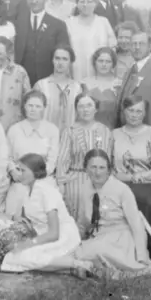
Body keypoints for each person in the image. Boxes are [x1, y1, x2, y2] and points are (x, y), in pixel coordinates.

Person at [69, 149, 151, 276]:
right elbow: (83, 222)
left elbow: (136, 224)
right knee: (76, 251)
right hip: (99, 237)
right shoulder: (85, 188)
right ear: (85, 168)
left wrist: (142, 255)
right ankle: (91, 267)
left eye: (101, 168)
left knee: (93, 251)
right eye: (93, 167)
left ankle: (91, 267)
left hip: (121, 239)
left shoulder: (122, 190)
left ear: (109, 170)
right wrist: (72, 241)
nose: (97, 172)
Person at [0, 154, 83, 273]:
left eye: (23, 170)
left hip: (63, 236)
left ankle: (77, 264)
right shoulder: (27, 189)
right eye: (18, 170)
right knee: (11, 256)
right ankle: (65, 267)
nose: (19, 174)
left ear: (35, 172)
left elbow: (54, 233)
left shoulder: (46, 191)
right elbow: (31, 219)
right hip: (43, 236)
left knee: (19, 257)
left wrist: (28, 244)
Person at [113, 96, 151, 234]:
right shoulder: (114, 135)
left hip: (150, 185)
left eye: (139, 111)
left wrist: (134, 178)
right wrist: (124, 179)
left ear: (145, 113)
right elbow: (110, 169)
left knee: (146, 201)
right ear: (123, 111)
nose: (134, 115)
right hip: (122, 185)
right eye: (131, 110)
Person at [56, 93, 115, 230]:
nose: (85, 109)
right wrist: (61, 183)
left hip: (100, 179)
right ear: (76, 110)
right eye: (81, 106)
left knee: (99, 218)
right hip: (76, 178)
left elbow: (109, 158)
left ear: (95, 109)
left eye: (89, 105)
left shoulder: (105, 131)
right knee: (76, 221)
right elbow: (63, 159)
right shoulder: (69, 131)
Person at [5, 90, 61, 215]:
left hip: (43, 178)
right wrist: (13, 170)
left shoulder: (52, 130)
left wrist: (39, 175)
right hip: (20, 178)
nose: (33, 109)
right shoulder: (14, 129)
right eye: (30, 105)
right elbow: (7, 157)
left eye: (38, 106)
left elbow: (52, 159)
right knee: (15, 208)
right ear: (24, 106)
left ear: (44, 108)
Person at [13, 0, 70, 85]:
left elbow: (64, 53)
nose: (34, 1)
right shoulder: (17, 24)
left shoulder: (58, 24)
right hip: (22, 78)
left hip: (48, 77)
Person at [32, 46, 85, 133]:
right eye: (57, 58)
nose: (60, 62)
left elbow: (80, 116)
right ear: (52, 60)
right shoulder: (41, 85)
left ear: (70, 62)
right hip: (44, 138)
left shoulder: (77, 88)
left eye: (65, 59)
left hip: (69, 139)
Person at [66, 0, 117, 80]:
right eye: (82, 2)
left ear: (95, 4)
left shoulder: (103, 22)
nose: (85, 5)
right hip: (77, 70)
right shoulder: (69, 23)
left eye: (89, 2)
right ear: (77, 4)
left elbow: (112, 47)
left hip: (100, 71)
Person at [84, 47, 123, 128]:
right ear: (94, 62)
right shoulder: (84, 83)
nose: (104, 64)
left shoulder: (120, 84)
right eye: (100, 61)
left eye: (108, 61)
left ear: (113, 64)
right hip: (88, 131)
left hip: (113, 130)